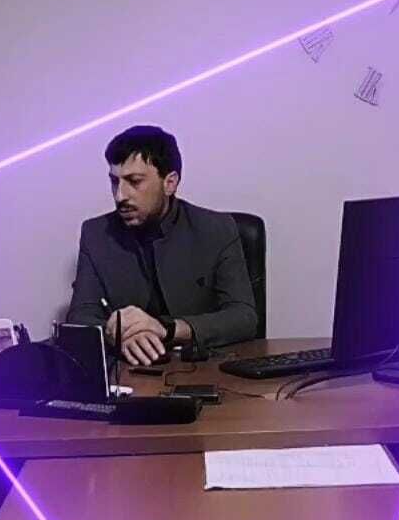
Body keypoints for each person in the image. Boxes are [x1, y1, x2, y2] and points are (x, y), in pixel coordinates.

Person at [66, 125, 258, 365]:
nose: (120, 196)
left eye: (134, 181)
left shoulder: (217, 229)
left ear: (170, 183)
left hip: (202, 369)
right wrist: (117, 332)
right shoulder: (96, 234)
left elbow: (244, 317)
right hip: (129, 371)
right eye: (114, 182)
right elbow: (80, 317)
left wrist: (168, 329)